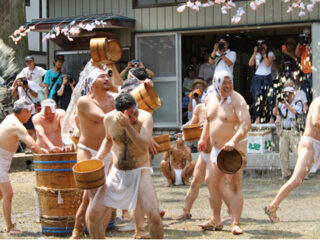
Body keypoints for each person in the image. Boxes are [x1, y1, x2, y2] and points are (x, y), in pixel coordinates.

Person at [87, 93, 163, 239]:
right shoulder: (109, 119)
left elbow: (143, 146)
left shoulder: (145, 117)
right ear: (120, 113)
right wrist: (98, 158)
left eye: (135, 112)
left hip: (140, 170)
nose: (134, 117)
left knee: (154, 216)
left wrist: (128, 126)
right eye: (129, 115)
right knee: (93, 215)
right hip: (117, 171)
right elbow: (108, 140)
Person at [198, 70, 251, 235]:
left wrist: (233, 141)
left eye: (230, 82)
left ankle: (236, 222)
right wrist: (203, 138)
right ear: (217, 83)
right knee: (211, 181)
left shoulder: (237, 100)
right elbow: (209, 121)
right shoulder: (209, 98)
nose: (228, 86)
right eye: (224, 83)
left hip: (234, 149)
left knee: (234, 184)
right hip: (216, 148)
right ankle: (216, 219)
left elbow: (245, 124)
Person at [70, 67, 116, 239]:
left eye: (107, 76)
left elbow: (130, 101)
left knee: (100, 197)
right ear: (92, 83)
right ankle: (91, 234)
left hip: (108, 151)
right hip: (87, 151)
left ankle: (83, 231)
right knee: (94, 194)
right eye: (101, 77)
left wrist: (143, 86)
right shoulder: (84, 101)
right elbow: (102, 117)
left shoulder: (113, 99)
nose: (106, 78)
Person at [264, 97, 320, 223]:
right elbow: (316, 121)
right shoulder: (318, 102)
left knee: (298, 181)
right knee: (296, 179)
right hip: (310, 144)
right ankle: (272, 207)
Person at [0, 99, 43, 235]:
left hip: (3, 162)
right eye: (30, 113)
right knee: (8, 193)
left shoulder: (10, 118)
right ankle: (10, 226)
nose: (30, 116)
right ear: (24, 112)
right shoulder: (16, 125)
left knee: (1, 194)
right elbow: (34, 146)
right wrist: (48, 155)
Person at [273, 86, 303, 180]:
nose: (287, 96)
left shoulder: (297, 103)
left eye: (289, 94)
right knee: (283, 153)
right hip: (284, 131)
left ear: (293, 94)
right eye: (285, 93)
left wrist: (286, 103)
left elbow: (294, 111)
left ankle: (300, 174)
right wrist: (277, 103)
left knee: (297, 153)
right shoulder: (282, 104)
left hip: (294, 131)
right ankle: (285, 174)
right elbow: (274, 113)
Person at [249, 39, 275, 124]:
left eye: (263, 45)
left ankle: (271, 118)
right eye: (260, 45)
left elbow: (267, 64)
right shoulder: (257, 54)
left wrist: (264, 54)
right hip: (257, 77)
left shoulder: (270, 54)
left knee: (269, 97)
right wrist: (255, 52)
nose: (261, 47)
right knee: (257, 98)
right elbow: (250, 63)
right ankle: (257, 118)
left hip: (267, 76)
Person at [11, 76, 40, 141]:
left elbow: (36, 95)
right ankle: (28, 145)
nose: (19, 82)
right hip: (22, 110)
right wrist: (16, 86)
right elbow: (13, 95)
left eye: (20, 81)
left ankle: (32, 146)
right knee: (25, 130)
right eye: (17, 81)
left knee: (32, 129)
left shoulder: (31, 84)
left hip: (30, 110)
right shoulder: (18, 87)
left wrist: (27, 88)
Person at [295, 28, 312, 104]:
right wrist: (300, 42)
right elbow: (297, 54)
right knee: (306, 93)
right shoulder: (302, 45)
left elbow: (309, 55)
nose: (306, 37)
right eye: (305, 35)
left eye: (308, 35)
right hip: (305, 72)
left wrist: (308, 44)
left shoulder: (313, 43)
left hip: (312, 72)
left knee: (313, 92)